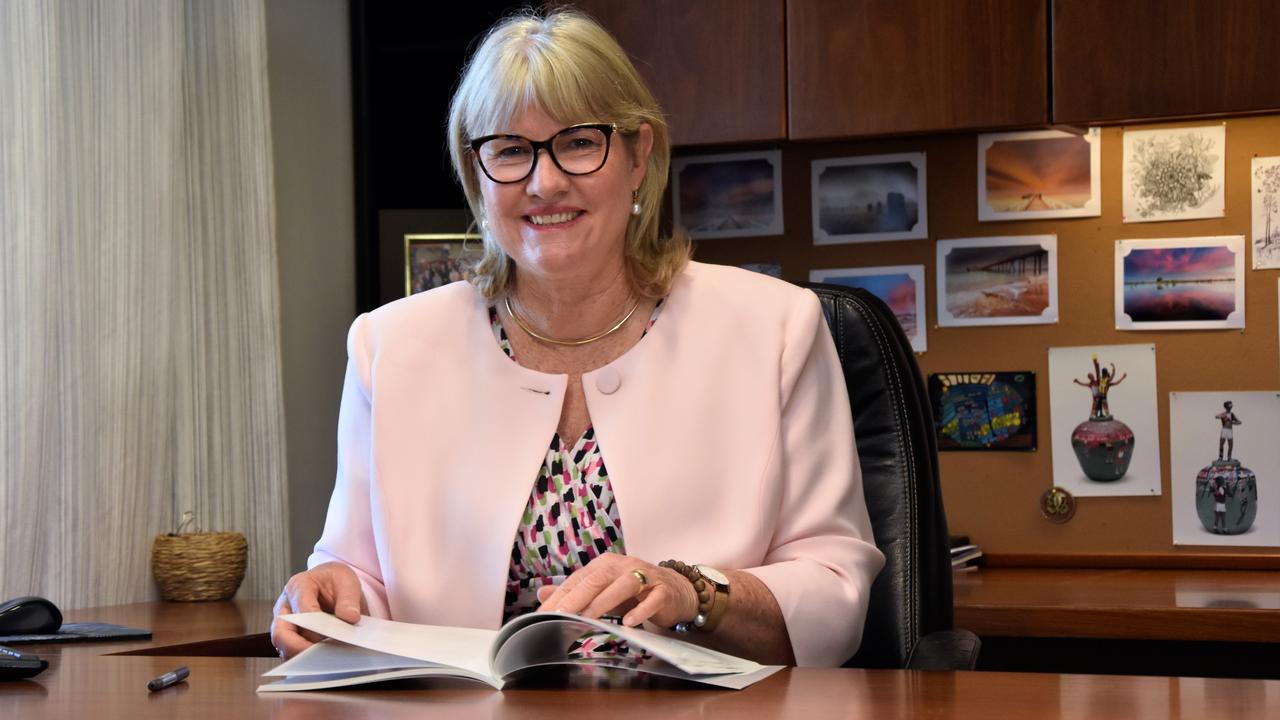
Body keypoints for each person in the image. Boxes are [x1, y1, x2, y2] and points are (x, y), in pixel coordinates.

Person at [270, 9, 883, 669]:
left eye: (579, 142)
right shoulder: (389, 346)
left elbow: (834, 592)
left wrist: (692, 592)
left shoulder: (775, 328)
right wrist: (331, 593)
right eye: (509, 150)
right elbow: (358, 574)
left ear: (638, 154)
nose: (545, 181)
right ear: (475, 173)